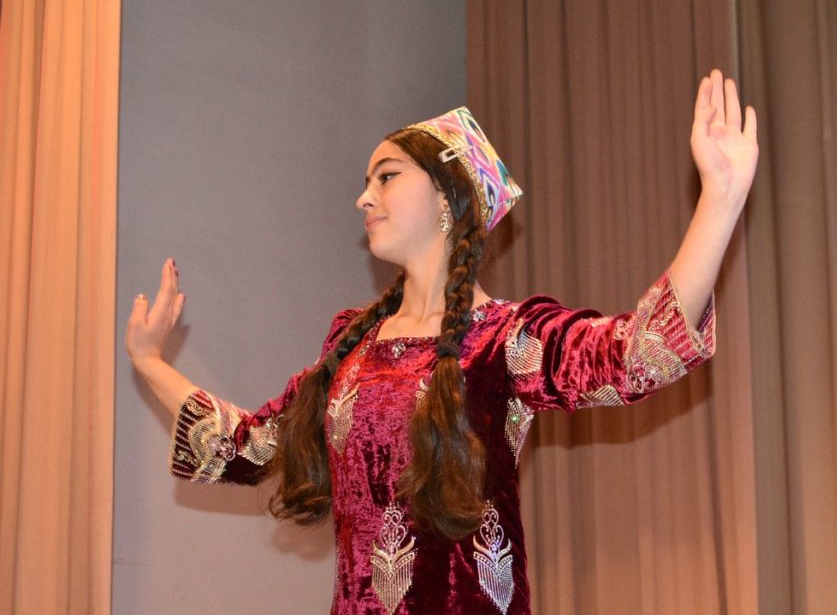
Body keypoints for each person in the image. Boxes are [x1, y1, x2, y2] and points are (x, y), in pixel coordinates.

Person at [125, 69, 758, 615]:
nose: (363, 197)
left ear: (449, 197)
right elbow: (253, 446)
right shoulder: (350, 345)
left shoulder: (506, 339)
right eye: (367, 182)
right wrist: (149, 361)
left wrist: (720, 200)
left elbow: (636, 354)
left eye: (386, 177)